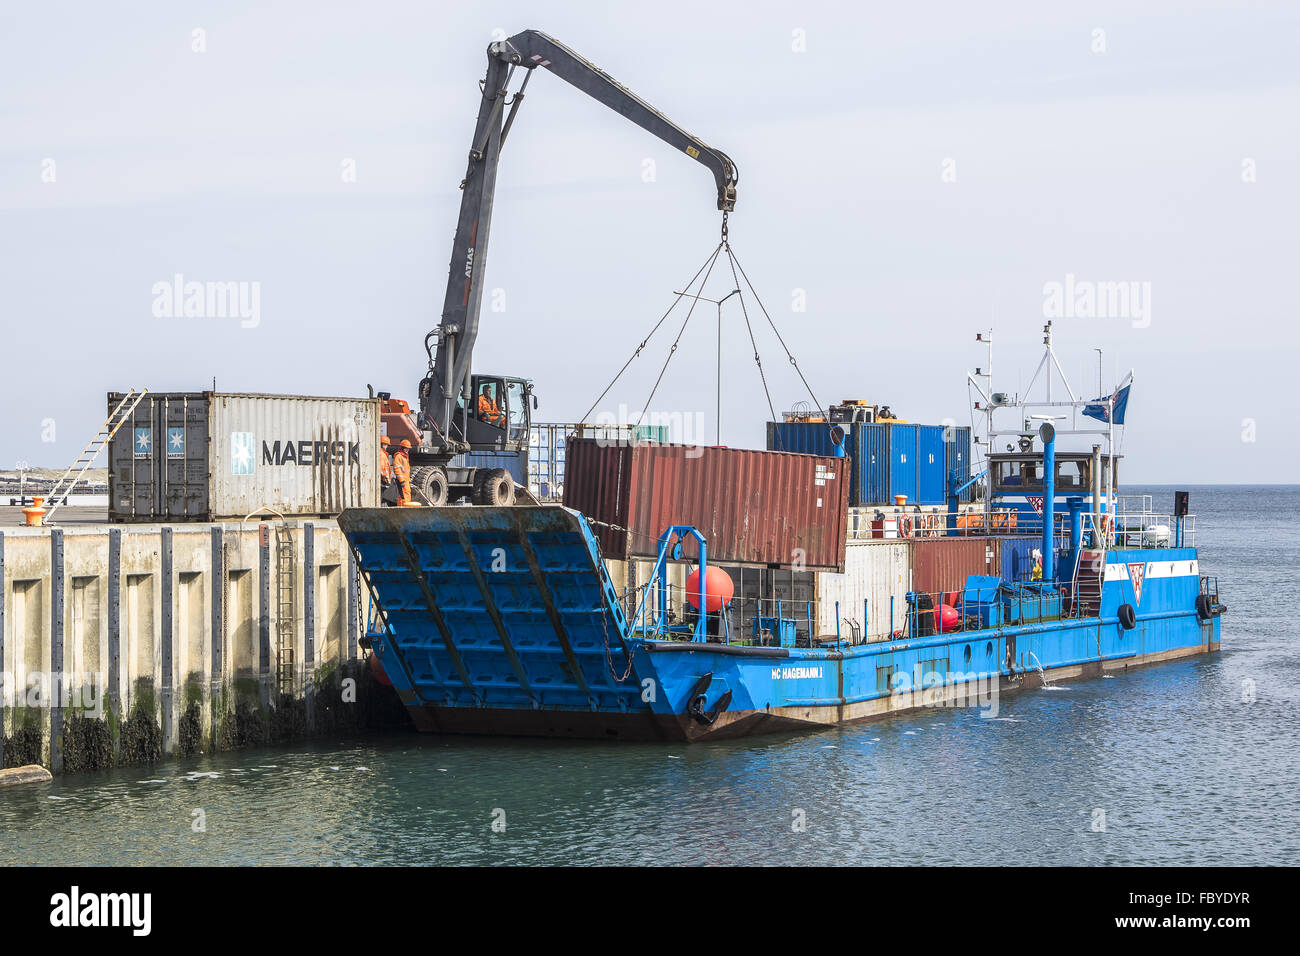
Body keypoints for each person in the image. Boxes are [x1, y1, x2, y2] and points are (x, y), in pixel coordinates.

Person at [393, 439, 412, 506]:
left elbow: (406, 470)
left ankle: (405, 509)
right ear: (402, 448)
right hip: (402, 481)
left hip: (405, 481)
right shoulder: (399, 456)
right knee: (403, 497)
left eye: (408, 448)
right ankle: (403, 510)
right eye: (406, 448)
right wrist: (401, 481)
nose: (407, 450)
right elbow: (397, 469)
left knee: (406, 495)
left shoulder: (405, 457)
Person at [379, 436, 395, 504]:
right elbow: (382, 468)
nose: (387, 446)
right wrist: (385, 478)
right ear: (383, 444)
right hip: (383, 480)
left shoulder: (382, 453)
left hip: (382, 479)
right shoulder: (382, 454)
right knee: (383, 500)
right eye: (386, 445)